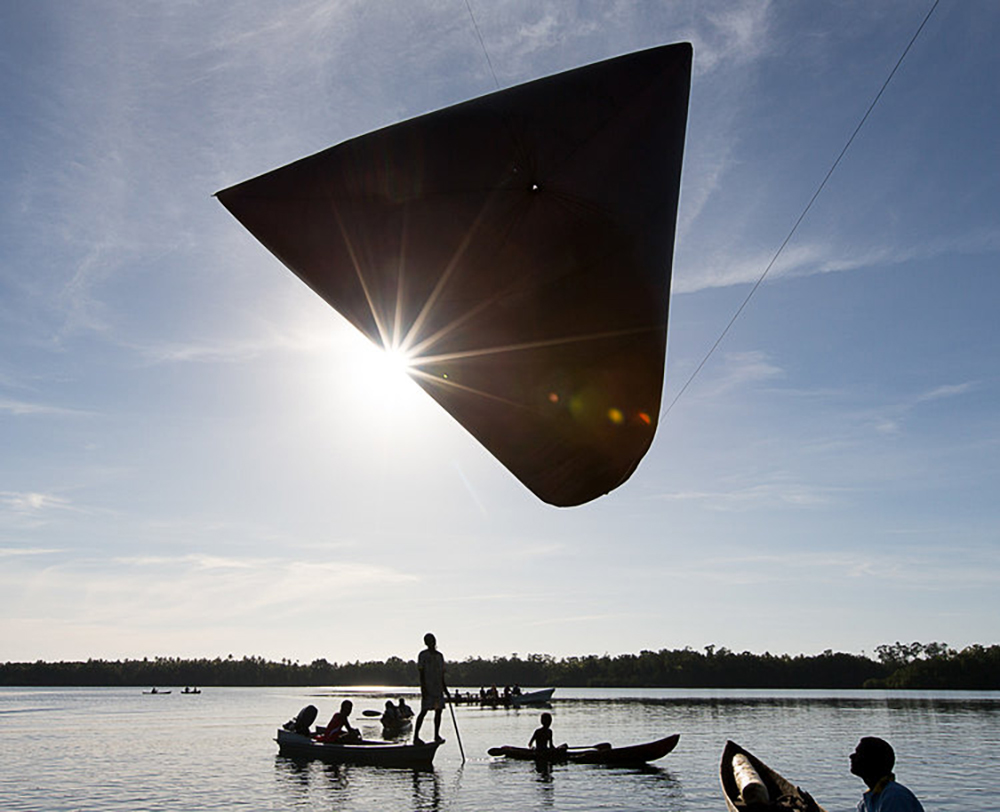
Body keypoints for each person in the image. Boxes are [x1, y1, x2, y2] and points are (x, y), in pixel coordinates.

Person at [850, 737, 925, 812]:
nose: (851, 756)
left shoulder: (895, 796)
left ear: (873, 761)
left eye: (859, 753)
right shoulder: (866, 801)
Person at [413, 632, 448, 744]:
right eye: (428, 641)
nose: (431, 643)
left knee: (439, 712)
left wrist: (445, 689)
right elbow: (421, 673)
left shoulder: (439, 656)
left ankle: (436, 735)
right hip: (428, 688)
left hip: (438, 689)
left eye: (432, 640)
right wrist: (423, 689)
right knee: (424, 711)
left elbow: (442, 674)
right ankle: (416, 737)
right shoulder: (423, 655)